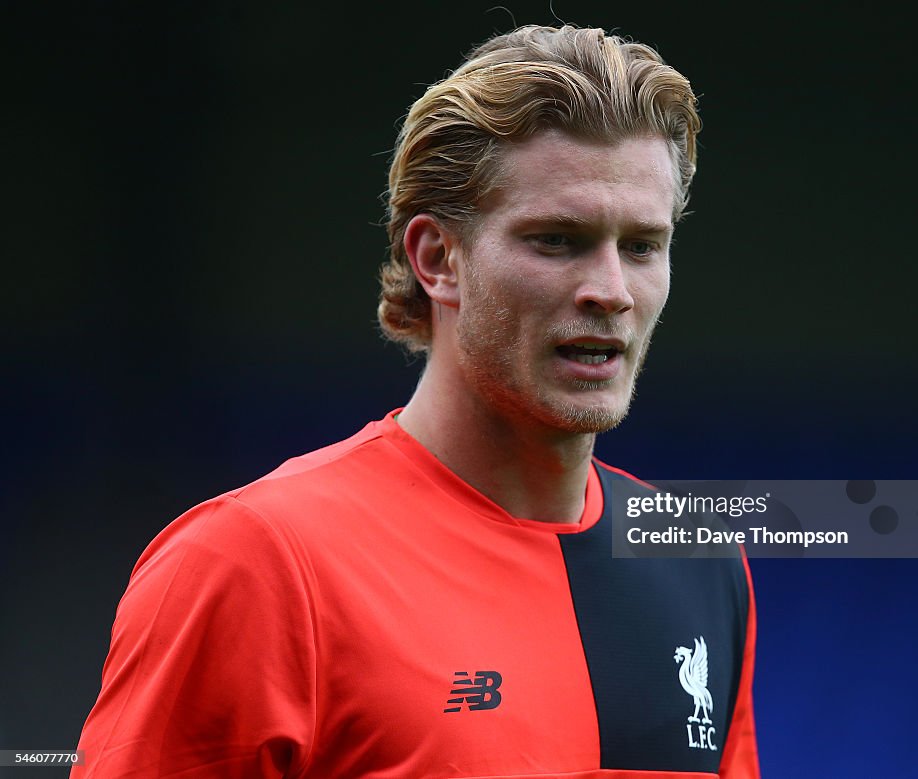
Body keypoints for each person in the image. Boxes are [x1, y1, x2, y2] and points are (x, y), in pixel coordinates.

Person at [73, 24, 759, 778]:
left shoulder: (701, 564)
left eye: (642, 246)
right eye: (558, 240)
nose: (612, 291)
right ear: (438, 259)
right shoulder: (255, 563)